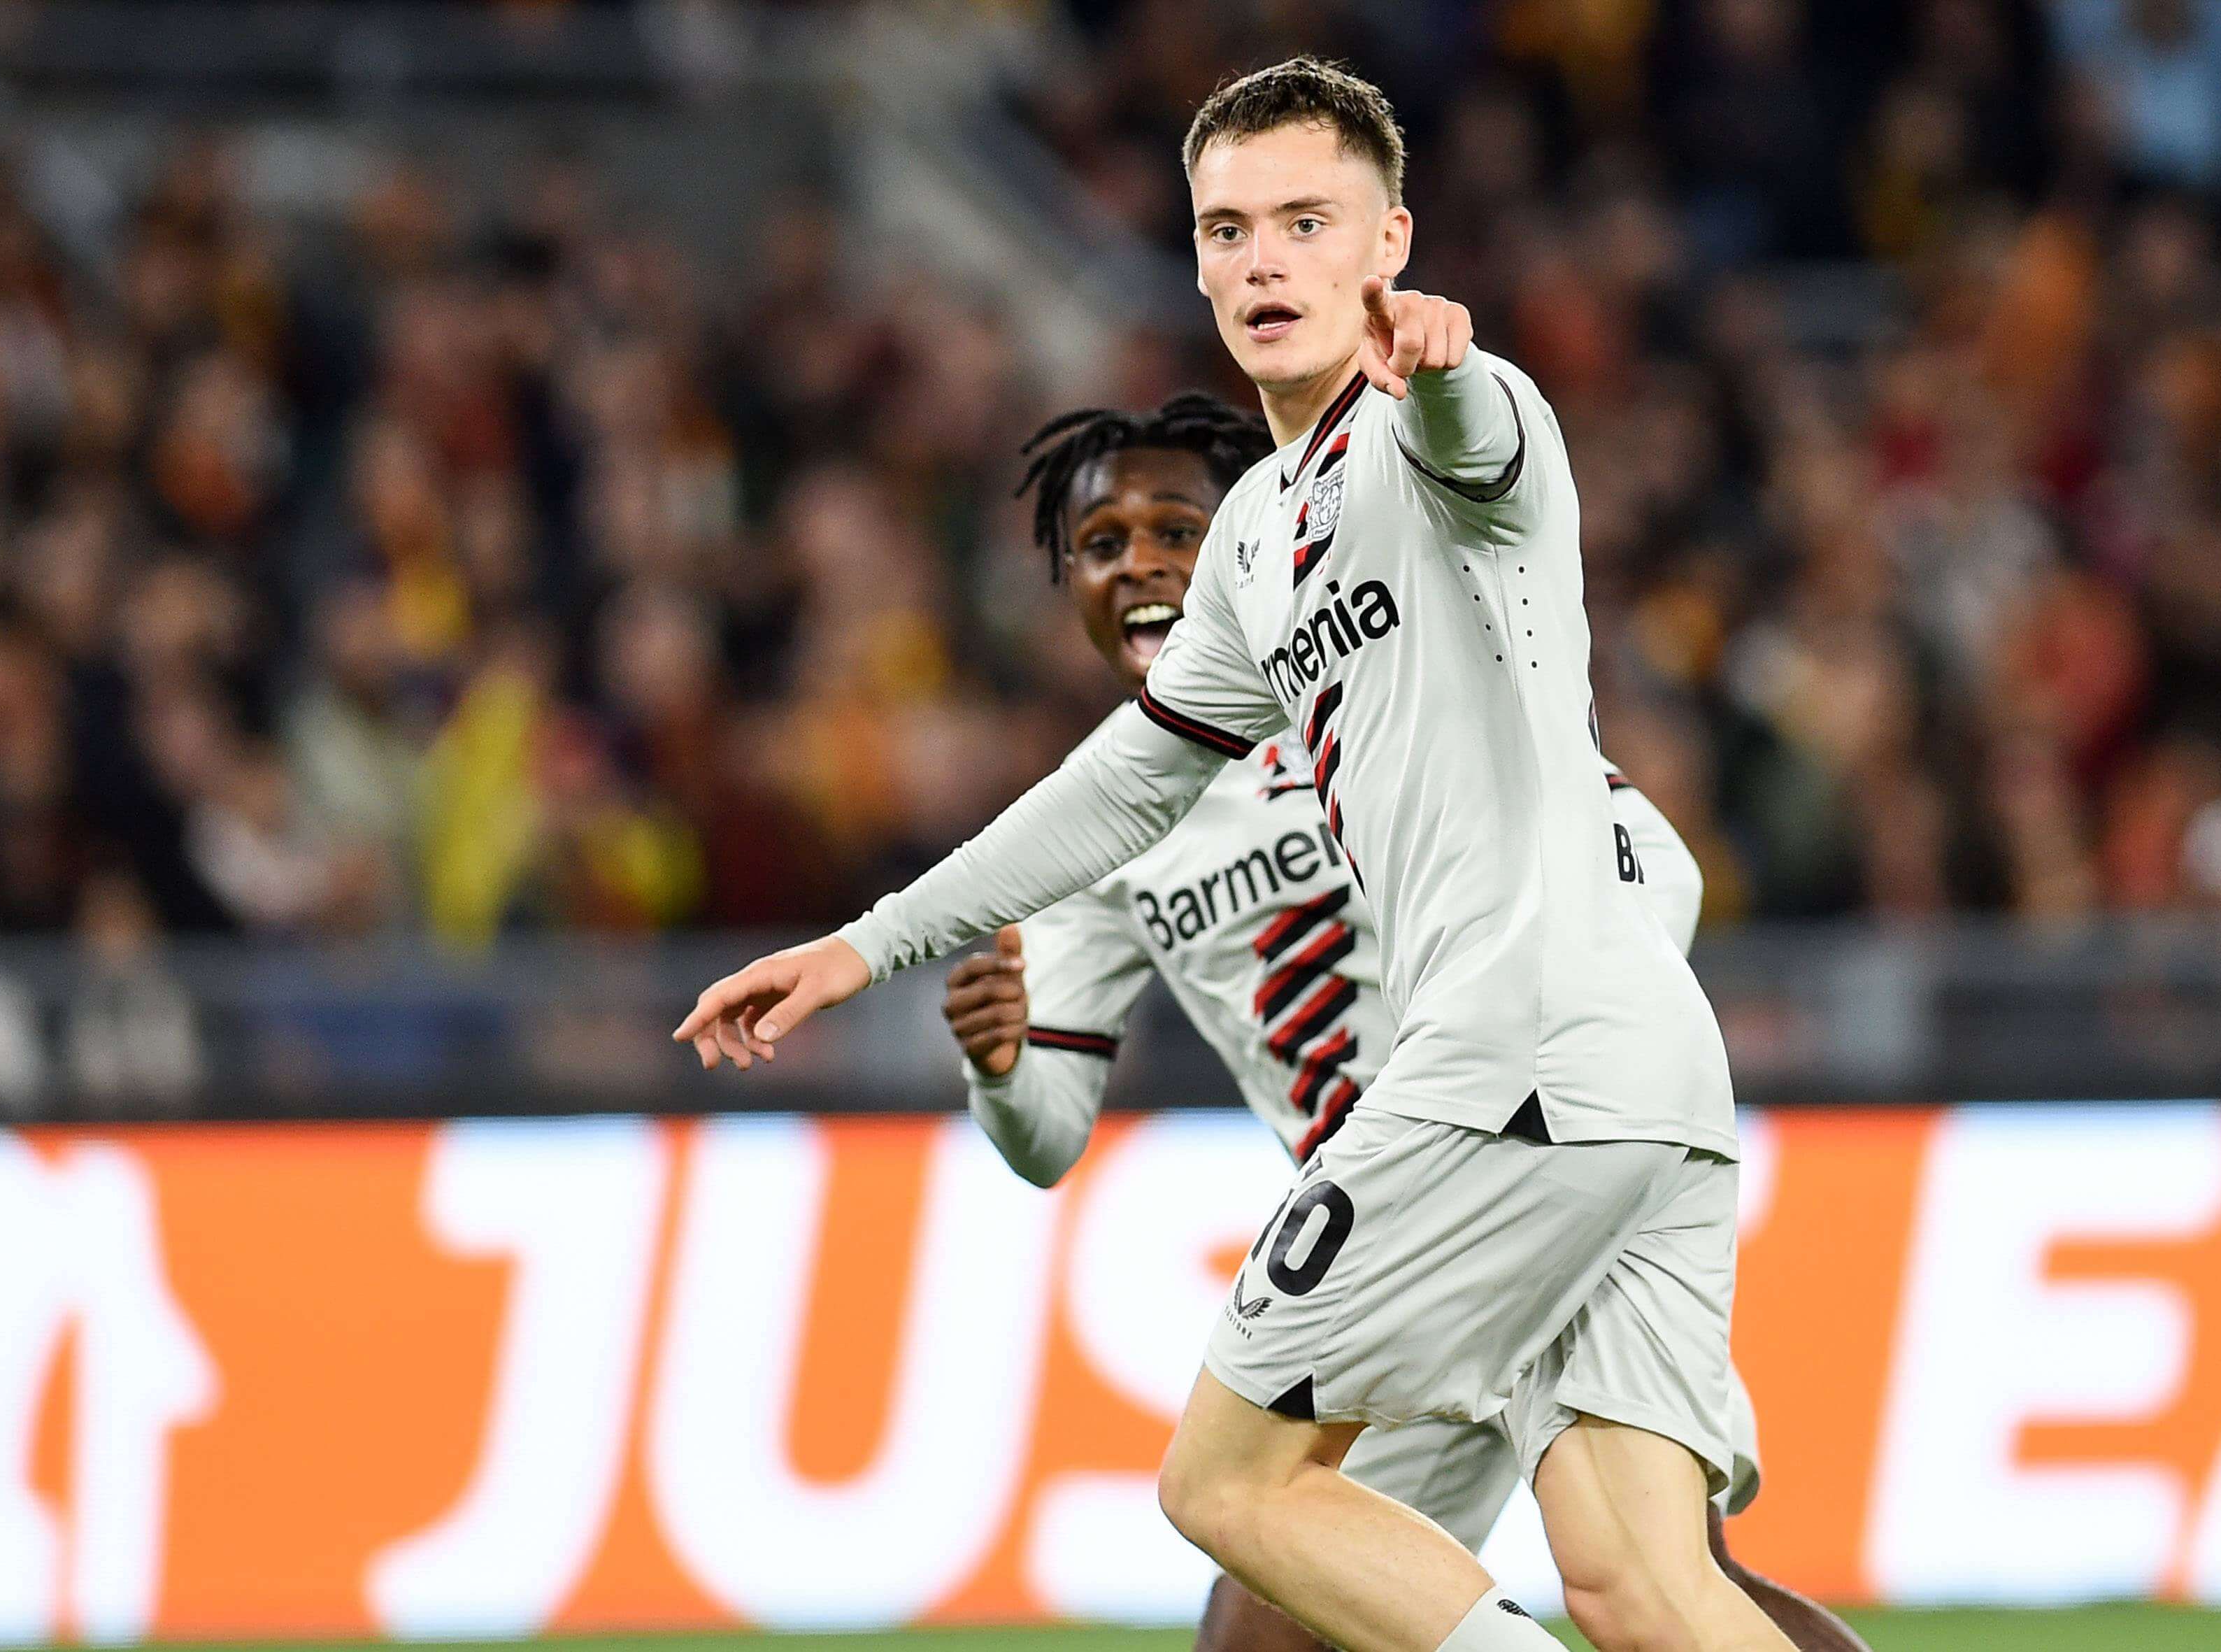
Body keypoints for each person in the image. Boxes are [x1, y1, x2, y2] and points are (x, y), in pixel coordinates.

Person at [680, 57, 1788, 1652]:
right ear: (1195, 265)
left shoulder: (1454, 426)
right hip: (1628, 1075)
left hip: (1509, 1058)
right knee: (1645, 1588)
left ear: (1386, 243)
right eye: (1225, 231)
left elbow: (1477, 450)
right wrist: (868, 944)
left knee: (1228, 1485)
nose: (1263, 261)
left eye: (1304, 223)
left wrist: (1453, 366)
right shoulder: (1257, 536)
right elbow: (1121, 784)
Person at [942, 392, 1870, 1652]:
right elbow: (1047, 1135)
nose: (1144, 565)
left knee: (1653, 1585)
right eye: (1104, 544)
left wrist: (1524, 1062)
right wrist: (1001, 1068)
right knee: (1628, 1597)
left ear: (1251, 549)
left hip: (1524, 1164)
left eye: (1178, 529)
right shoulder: (1105, 829)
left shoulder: (1378, 688)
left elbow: (1662, 871)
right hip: (1388, 1241)